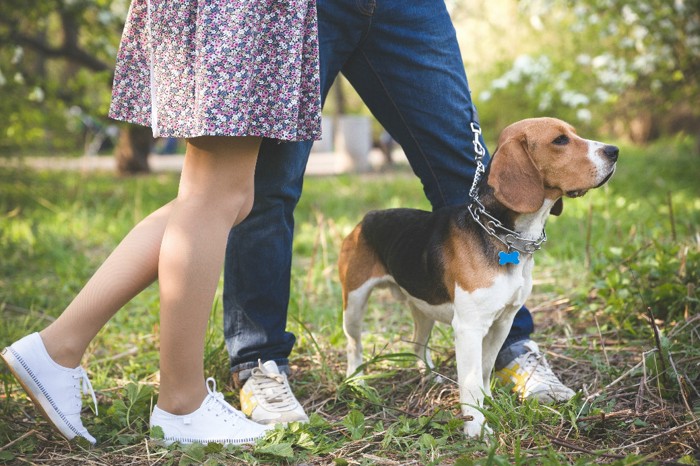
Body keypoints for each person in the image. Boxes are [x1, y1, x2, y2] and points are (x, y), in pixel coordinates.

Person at [223, 0, 576, 425]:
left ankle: (509, 345)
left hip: (408, 8)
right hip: (299, 7)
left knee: (470, 173)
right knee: (268, 185)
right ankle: (259, 362)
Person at [1, 0, 322, 446]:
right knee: (217, 196)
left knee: (226, 196)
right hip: (239, 10)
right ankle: (182, 404)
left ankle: (58, 348)